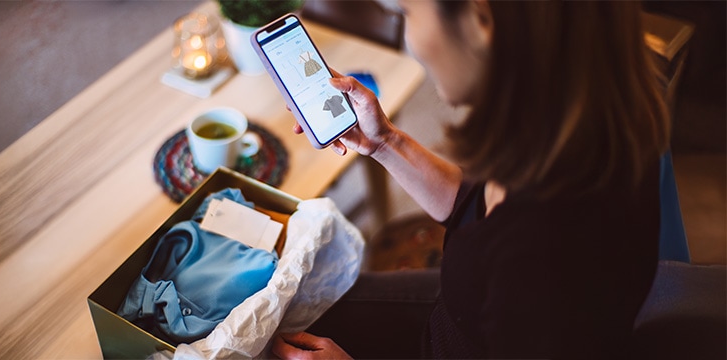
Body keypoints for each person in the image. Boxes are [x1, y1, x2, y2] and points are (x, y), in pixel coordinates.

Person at [273, 0, 670, 358]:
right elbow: (477, 208)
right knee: (296, 307)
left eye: (409, 14)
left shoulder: (544, 255)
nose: (413, 40)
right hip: (459, 319)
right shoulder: (564, 116)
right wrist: (384, 142)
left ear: (481, 19)